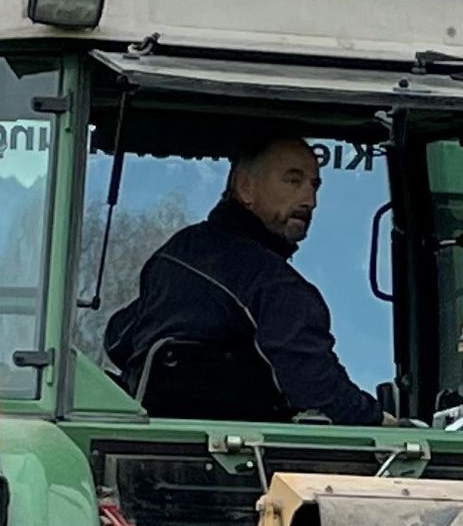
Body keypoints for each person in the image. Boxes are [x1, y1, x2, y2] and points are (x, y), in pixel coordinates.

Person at [104, 129, 380, 427]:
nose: (310, 199)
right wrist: (381, 422)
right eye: (293, 180)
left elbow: (119, 338)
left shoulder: (175, 254)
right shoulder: (277, 288)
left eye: (314, 185)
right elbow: (321, 393)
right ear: (246, 189)